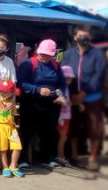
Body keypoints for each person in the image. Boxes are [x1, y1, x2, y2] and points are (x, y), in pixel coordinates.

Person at [61, 27, 106, 171]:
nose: (83, 38)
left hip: (93, 96)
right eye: (80, 36)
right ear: (75, 37)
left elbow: (99, 75)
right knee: (73, 127)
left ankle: (93, 157)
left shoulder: (97, 54)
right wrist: (72, 94)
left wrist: (84, 93)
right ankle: (74, 155)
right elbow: (63, 73)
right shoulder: (68, 54)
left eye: (86, 36)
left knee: (94, 127)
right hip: (73, 97)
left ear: (90, 37)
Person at [17, 39, 67, 169]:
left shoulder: (56, 65)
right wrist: (38, 89)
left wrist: (61, 95)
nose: (43, 56)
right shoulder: (28, 64)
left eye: (47, 54)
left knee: (48, 132)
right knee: (27, 132)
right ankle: (23, 159)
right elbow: (21, 83)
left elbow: (62, 83)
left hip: (51, 103)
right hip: (31, 102)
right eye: (41, 53)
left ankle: (46, 158)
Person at [0, 80, 24, 178]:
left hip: (11, 127)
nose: (3, 93)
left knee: (17, 146)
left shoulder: (12, 102)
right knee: (2, 148)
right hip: (0, 126)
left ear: (11, 92)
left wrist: (13, 106)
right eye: (2, 91)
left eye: (6, 92)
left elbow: (14, 114)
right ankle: (5, 167)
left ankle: (13, 166)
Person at [56, 65, 77, 166]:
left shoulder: (67, 89)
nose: (68, 80)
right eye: (66, 78)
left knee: (64, 137)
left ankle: (61, 156)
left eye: (70, 78)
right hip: (61, 117)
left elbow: (68, 102)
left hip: (66, 116)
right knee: (62, 137)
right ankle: (60, 157)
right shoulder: (60, 89)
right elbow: (59, 101)